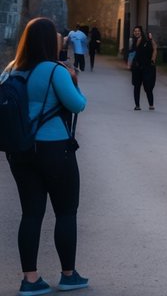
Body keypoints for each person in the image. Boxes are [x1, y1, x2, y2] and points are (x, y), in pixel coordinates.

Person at [3, 17, 89, 294]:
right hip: (54, 148)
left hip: (20, 150)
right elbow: (78, 105)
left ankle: (30, 280)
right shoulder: (55, 71)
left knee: (30, 214)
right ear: (50, 40)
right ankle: (68, 275)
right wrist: (74, 81)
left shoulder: (10, 70)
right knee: (65, 211)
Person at [128, 26, 157, 111]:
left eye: (138, 31)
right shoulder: (133, 42)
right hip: (136, 67)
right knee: (136, 86)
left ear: (141, 32)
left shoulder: (147, 41)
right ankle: (137, 105)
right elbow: (131, 53)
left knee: (148, 86)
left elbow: (155, 48)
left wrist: (153, 60)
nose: (136, 32)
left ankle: (151, 104)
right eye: (135, 31)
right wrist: (129, 64)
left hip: (147, 66)